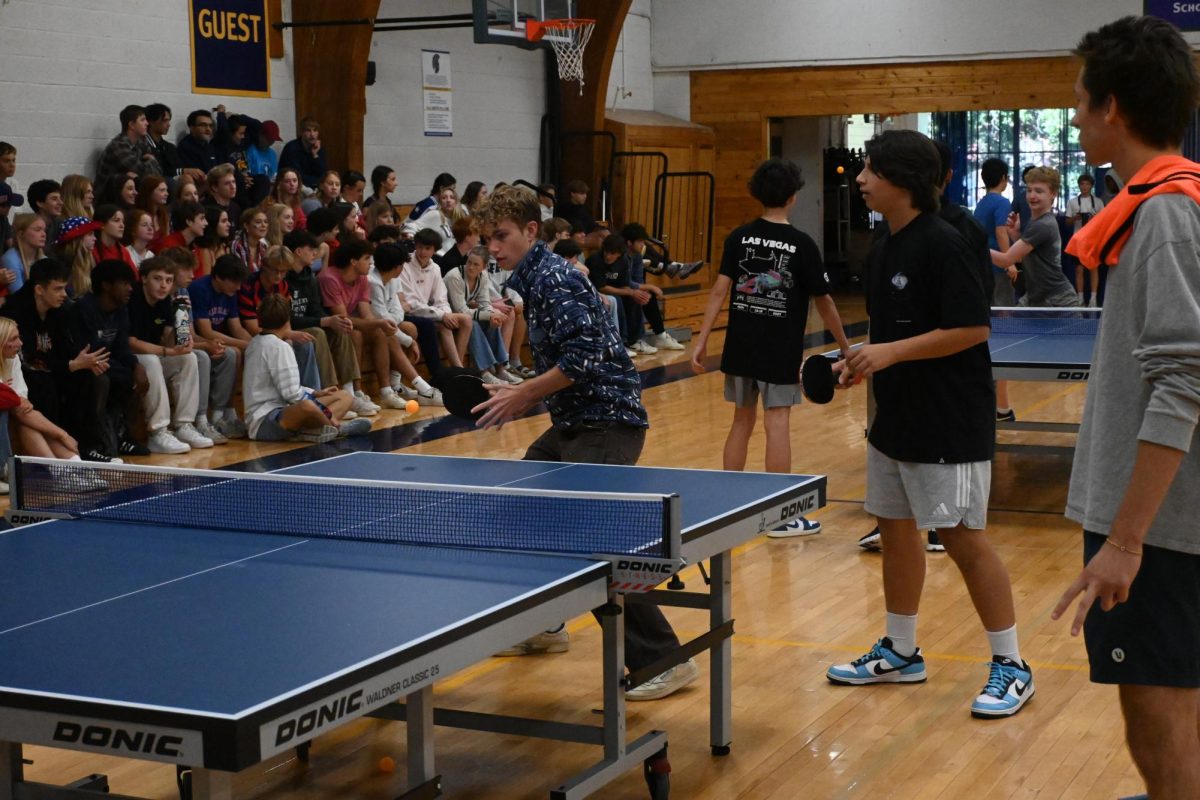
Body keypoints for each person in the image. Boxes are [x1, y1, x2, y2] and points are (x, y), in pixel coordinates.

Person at [825, 130, 1034, 719]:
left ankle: (1012, 665)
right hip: (896, 415)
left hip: (949, 418)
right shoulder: (884, 245)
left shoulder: (945, 242)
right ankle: (900, 649)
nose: (860, 178)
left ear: (903, 181)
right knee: (893, 526)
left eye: (870, 169)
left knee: (963, 537)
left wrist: (888, 354)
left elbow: (971, 329)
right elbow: (895, 331)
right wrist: (862, 361)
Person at [1048, 16, 1200, 799]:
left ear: (1113, 106)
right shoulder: (1165, 205)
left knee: (1157, 709)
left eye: (1078, 103)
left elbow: (1184, 379)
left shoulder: (1167, 217)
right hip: (1166, 519)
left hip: (1163, 530)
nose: (1073, 119)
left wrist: (1128, 540)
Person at [470, 184, 696, 700]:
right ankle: (547, 624)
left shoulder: (555, 280)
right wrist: (519, 390)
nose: (494, 249)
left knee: (595, 541)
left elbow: (586, 360)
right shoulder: (534, 280)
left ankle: (665, 659)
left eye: (501, 237)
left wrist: (523, 394)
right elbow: (564, 363)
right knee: (520, 511)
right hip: (573, 422)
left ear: (531, 231)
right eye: (487, 240)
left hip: (608, 423)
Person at [692, 158, 851, 537]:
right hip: (779, 349)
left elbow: (719, 291)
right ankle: (782, 516)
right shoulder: (802, 244)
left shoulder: (739, 237)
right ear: (794, 196)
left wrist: (700, 340)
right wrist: (845, 347)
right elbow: (825, 302)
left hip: (740, 347)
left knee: (741, 420)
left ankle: (729, 506)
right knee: (777, 421)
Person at [0, 258, 117, 462]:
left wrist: (84, 362)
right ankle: (57, 450)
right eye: (58, 289)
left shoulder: (62, 311)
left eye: (65, 288)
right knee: (43, 384)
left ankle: (87, 447)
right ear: (39, 289)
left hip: (50, 370)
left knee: (90, 378)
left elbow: (66, 349)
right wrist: (70, 365)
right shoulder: (15, 311)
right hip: (28, 374)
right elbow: (25, 359)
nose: (65, 294)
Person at [243, 293, 369, 442]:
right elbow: (292, 396)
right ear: (287, 320)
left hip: (280, 412)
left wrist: (315, 392)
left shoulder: (255, 342)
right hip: (265, 422)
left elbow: (288, 388)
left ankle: (312, 431)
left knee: (345, 396)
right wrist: (326, 414)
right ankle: (337, 428)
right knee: (307, 406)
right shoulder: (279, 347)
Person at [126, 257, 210, 453]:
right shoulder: (132, 299)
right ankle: (158, 432)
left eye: (168, 280)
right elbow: (131, 343)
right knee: (151, 360)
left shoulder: (165, 302)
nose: (163, 285)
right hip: (131, 361)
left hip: (154, 357)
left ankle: (183, 426)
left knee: (188, 358)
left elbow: (169, 342)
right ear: (144, 278)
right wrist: (167, 351)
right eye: (158, 279)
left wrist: (179, 320)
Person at [69, 259, 149, 458]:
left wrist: (136, 366)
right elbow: (90, 352)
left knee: (135, 378)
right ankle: (92, 444)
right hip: (81, 370)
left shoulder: (121, 310)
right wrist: (126, 370)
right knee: (100, 380)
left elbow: (121, 348)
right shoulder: (83, 309)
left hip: (108, 365)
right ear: (106, 285)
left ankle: (123, 436)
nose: (130, 289)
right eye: (125, 284)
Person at [158, 246, 238, 443]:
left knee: (229, 353)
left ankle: (217, 416)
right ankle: (198, 420)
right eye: (187, 270)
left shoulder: (183, 293)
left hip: (179, 349)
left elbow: (188, 336)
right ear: (173, 269)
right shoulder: (162, 296)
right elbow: (170, 342)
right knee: (200, 357)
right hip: (160, 353)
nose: (193, 275)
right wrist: (206, 346)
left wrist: (211, 343)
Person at [318, 238, 408, 411]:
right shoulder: (329, 278)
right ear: (353, 261)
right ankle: (356, 393)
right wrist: (378, 322)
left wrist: (379, 324)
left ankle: (386, 391)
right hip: (330, 326)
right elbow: (342, 318)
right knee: (356, 334)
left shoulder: (362, 279)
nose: (371, 263)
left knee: (378, 332)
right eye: (367, 258)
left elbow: (366, 315)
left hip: (348, 324)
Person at [990, 167, 1080, 308]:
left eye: (1039, 191)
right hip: (1037, 299)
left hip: (1059, 304)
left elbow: (1005, 260)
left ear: (1052, 194)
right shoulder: (1036, 222)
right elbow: (1026, 255)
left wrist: (976, 247)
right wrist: (1015, 234)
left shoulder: (1042, 225)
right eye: (1029, 190)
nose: (1032, 195)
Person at [0, 314, 82, 466]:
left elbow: (22, 405)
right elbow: (15, 405)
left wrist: (11, 396)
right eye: (13, 339)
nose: (20, 343)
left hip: (14, 421)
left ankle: (74, 467)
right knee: (23, 419)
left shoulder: (13, 359)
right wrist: (63, 435)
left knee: (27, 422)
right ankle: (65, 469)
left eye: (19, 337)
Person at [368, 241, 443, 405]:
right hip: (369, 326)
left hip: (386, 324)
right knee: (392, 336)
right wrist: (409, 342)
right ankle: (423, 389)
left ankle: (395, 384)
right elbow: (380, 317)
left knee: (410, 329)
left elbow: (398, 312)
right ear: (396, 266)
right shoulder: (372, 282)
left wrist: (394, 324)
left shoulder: (394, 279)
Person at [444, 245, 524, 384]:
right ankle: (484, 371)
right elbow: (461, 310)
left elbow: (485, 303)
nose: (471, 267)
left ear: (484, 267)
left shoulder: (483, 276)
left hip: (466, 314)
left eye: (476, 264)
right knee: (474, 323)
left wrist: (492, 316)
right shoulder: (454, 276)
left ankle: (500, 369)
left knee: (492, 320)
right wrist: (490, 315)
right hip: (449, 315)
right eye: (469, 262)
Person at [399, 228, 472, 369]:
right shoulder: (405, 264)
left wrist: (447, 314)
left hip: (428, 313)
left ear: (435, 250)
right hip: (408, 313)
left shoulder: (435, 268)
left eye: (427, 248)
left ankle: (457, 368)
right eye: (419, 247)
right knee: (444, 324)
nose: (422, 252)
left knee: (465, 320)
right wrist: (442, 315)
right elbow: (411, 303)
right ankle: (457, 369)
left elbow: (441, 298)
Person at [972, 158, 1014, 306]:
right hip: (998, 266)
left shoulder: (981, 204)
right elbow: (1001, 231)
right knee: (1004, 310)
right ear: (1004, 178)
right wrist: (1009, 262)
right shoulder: (1002, 202)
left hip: (982, 263)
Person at [1064, 173, 1105, 306]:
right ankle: (1080, 297)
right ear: (1079, 185)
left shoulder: (1098, 202)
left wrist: (1094, 219)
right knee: (1079, 268)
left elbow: (1104, 221)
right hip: (1078, 239)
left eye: (1087, 184)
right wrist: (1076, 218)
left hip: (1093, 239)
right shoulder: (1072, 202)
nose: (1084, 186)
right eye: (1082, 184)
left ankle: (1093, 298)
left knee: (1094, 267)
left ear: (1091, 186)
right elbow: (1067, 222)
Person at [145, 103, 203, 183]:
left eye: (169, 121)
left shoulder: (169, 147)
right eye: (164, 120)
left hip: (170, 182)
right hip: (154, 182)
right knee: (186, 179)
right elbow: (160, 170)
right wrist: (183, 171)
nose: (168, 125)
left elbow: (177, 167)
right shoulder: (142, 145)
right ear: (151, 121)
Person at [2, 214, 46, 295]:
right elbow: (19, 296)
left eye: (44, 230)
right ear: (21, 233)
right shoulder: (10, 260)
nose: (43, 234)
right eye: (37, 230)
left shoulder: (44, 259)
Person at [279, 117, 327, 191]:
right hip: (293, 186)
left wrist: (315, 155)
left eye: (315, 130)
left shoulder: (319, 149)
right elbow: (296, 175)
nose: (312, 134)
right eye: (308, 130)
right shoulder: (292, 148)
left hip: (314, 186)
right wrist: (318, 181)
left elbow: (323, 174)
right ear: (301, 132)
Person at [176, 110, 224, 175]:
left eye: (210, 126)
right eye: (203, 125)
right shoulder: (186, 148)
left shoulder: (209, 146)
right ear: (192, 128)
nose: (208, 129)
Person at [27, 179, 63, 247]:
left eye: (60, 198)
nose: (61, 203)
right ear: (40, 203)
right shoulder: (28, 227)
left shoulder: (61, 225)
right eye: (54, 199)